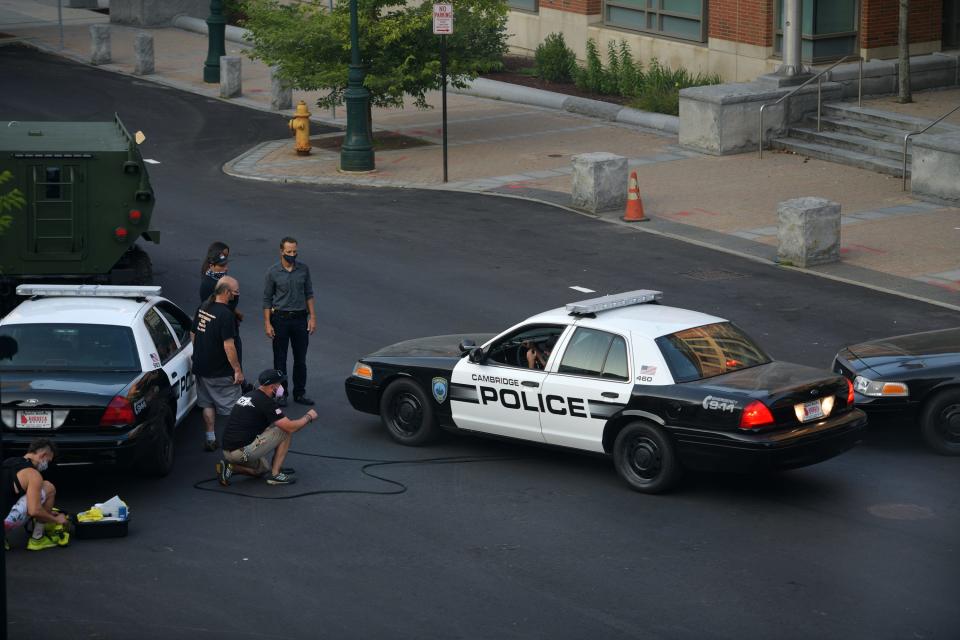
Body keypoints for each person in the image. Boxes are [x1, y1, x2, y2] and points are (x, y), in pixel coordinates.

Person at [216, 369, 319, 487]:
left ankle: (230, 467)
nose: (281, 387)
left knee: (262, 470)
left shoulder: (250, 395)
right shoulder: (266, 403)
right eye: (279, 384)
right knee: (284, 431)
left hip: (229, 450)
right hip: (241, 452)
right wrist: (308, 417)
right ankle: (275, 475)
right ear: (272, 387)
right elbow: (290, 427)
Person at [262, 236, 316, 407]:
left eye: (295, 251)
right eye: (289, 252)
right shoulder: (273, 272)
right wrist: (267, 323)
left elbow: (309, 294)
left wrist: (312, 317)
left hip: (300, 319)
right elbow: (267, 299)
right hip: (280, 320)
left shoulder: (303, 269)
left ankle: (299, 393)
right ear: (281, 252)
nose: (292, 254)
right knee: (280, 359)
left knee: (301, 359)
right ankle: (281, 393)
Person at [192, 276, 244, 451]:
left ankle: (210, 438)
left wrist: (199, 353)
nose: (237, 295)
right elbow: (229, 346)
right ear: (227, 292)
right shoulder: (225, 315)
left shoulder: (203, 307)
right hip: (221, 372)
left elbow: (193, 334)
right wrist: (237, 370)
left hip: (201, 368)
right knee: (234, 410)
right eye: (235, 292)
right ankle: (235, 445)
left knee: (207, 404)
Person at [199, 245, 251, 392]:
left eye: (226, 265)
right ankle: (235, 383)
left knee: (236, 352)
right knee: (230, 351)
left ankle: (238, 381)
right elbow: (211, 308)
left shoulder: (221, 279)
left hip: (230, 320)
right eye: (221, 266)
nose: (225, 268)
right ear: (211, 266)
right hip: (222, 326)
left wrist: (235, 312)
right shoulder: (208, 284)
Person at [3, 439, 69, 551]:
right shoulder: (33, 474)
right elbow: (34, 511)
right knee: (48, 487)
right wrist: (57, 520)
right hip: (6, 522)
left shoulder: (9, 461)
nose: (47, 464)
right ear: (43, 455)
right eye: (48, 461)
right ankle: (37, 538)